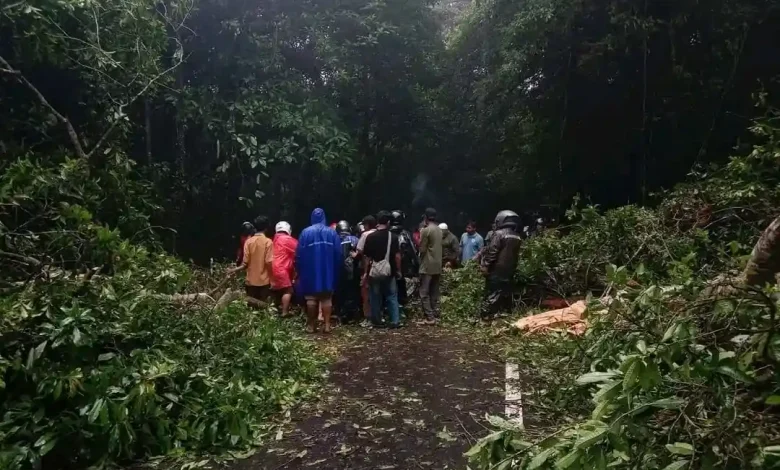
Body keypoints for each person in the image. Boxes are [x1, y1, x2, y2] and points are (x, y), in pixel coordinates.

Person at [296, 208, 343, 333]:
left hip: (309, 270)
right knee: (327, 298)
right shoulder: (332, 233)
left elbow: (299, 254)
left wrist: (299, 269)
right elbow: (338, 253)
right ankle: (327, 326)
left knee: (311, 298)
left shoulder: (305, 233)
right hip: (328, 270)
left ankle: (312, 325)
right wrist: (337, 268)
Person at [362, 210, 402, 328]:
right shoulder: (393, 237)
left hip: (374, 271)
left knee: (375, 296)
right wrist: (398, 270)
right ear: (389, 222)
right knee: (392, 296)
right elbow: (397, 256)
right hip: (390, 271)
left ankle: (377, 321)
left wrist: (365, 273)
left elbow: (366, 257)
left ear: (378, 222)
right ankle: (395, 320)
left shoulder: (370, 237)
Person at [480, 210, 523, 320]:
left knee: (492, 292)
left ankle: (486, 316)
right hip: (510, 269)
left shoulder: (499, 234)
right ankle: (501, 314)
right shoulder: (517, 236)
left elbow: (493, 252)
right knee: (504, 292)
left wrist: (485, 265)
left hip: (496, 268)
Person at [228, 216, 273, 303]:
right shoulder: (268, 242)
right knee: (263, 309)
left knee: (251, 309)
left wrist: (233, 270)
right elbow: (269, 262)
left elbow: (245, 263)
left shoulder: (248, 242)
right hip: (264, 282)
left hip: (250, 281)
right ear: (267, 228)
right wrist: (273, 279)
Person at [418, 208, 442, 325]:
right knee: (434, 291)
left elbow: (422, 249)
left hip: (427, 264)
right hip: (438, 264)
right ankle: (433, 315)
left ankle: (430, 317)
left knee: (424, 292)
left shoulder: (425, 230)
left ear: (425, 218)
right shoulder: (439, 230)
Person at [390, 210, 419, 307]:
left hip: (388, 264)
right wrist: (416, 265)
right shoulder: (405, 233)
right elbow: (412, 250)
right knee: (401, 287)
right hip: (403, 264)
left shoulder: (387, 232)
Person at [335, 220, 361, 323]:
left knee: (341, 292)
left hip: (339, 270)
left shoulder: (335, 239)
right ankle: (351, 315)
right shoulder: (355, 239)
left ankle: (341, 314)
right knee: (352, 292)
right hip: (353, 271)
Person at [271, 221, 297, 317]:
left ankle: (276, 309)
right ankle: (284, 312)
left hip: (271, 268)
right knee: (288, 290)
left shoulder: (273, 239)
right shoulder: (288, 239)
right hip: (281, 268)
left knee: (277, 290)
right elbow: (299, 250)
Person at [356, 215, 377, 326]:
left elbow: (359, 251)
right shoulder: (380, 233)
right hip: (380, 268)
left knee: (366, 294)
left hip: (367, 268)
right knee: (377, 293)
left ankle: (368, 318)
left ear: (367, 225)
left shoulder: (365, 235)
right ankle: (378, 317)